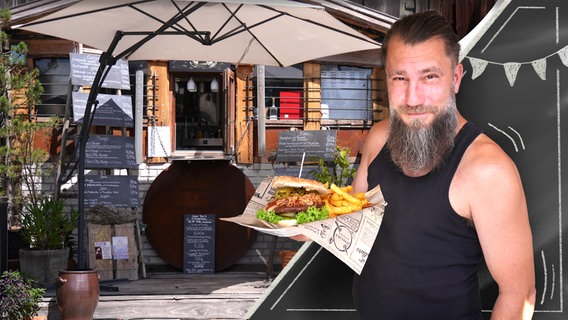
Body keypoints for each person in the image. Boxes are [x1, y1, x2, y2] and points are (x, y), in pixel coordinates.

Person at [347, 10, 536, 319]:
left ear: (456, 78)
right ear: (387, 80)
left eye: (429, 77)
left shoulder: (488, 170)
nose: (413, 97)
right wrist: (302, 224)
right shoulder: (379, 138)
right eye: (400, 78)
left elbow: (520, 294)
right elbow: (351, 218)